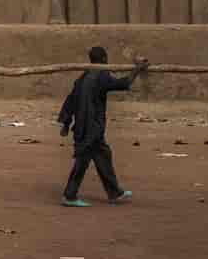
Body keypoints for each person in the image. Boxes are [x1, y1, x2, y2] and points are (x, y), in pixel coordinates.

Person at [57, 47, 149, 207]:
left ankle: (114, 193)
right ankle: (69, 196)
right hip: (92, 127)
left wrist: (66, 123)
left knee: (103, 155)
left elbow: (70, 100)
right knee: (83, 160)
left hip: (84, 126)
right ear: (105, 59)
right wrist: (138, 69)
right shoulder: (101, 75)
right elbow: (123, 83)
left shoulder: (83, 77)